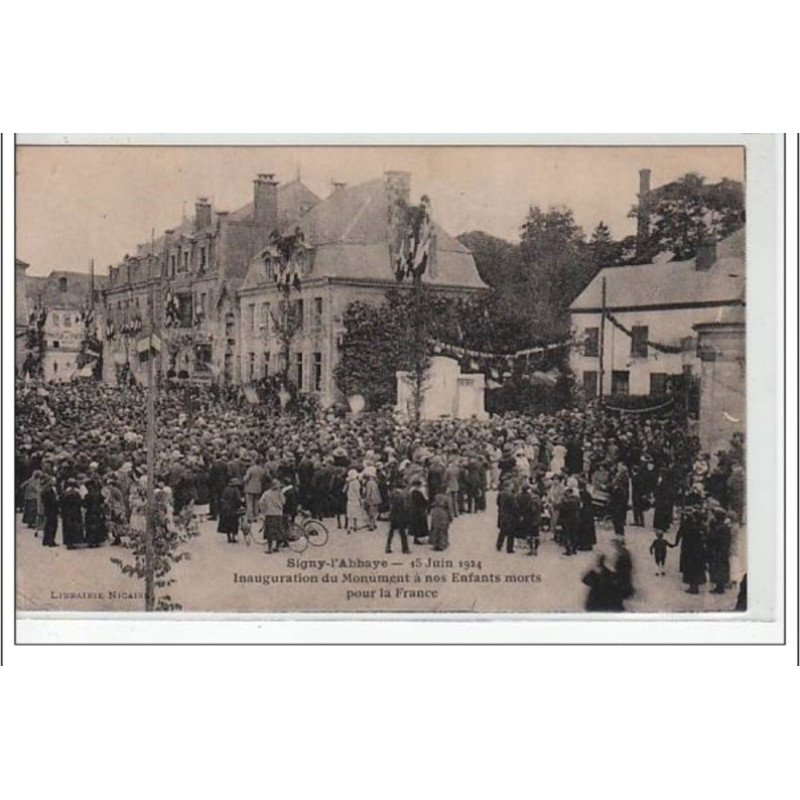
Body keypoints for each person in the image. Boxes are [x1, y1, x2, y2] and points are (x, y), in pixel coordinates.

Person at [674, 506, 707, 594]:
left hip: (689, 550)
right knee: (697, 569)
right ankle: (695, 586)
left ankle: (693, 587)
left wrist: (676, 543)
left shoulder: (688, 525)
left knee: (690, 568)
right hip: (699, 551)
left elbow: (680, 533)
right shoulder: (701, 526)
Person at [706, 501, 732, 594]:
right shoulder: (723, 527)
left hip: (718, 553)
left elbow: (712, 538)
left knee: (718, 569)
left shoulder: (721, 528)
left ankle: (720, 587)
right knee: (719, 569)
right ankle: (719, 586)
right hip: (720, 552)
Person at [259, 479, 285, 554]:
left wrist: (263, 511)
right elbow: (283, 502)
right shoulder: (280, 493)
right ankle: (277, 547)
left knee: (269, 531)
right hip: (278, 514)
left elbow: (261, 502)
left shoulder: (266, 493)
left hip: (269, 514)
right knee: (278, 530)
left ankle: (269, 548)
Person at [386, 481, 410, 555]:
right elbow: (405, 506)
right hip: (401, 515)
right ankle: (405, 549)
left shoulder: (392, 493)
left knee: (391, 532)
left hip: (393, 515)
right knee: (402, 533)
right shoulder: (404, 495)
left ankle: (388, 547)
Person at [516, 481, 541, 556]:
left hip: (530, 519)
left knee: (529, 535)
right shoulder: (538, 499)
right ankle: (535, 550)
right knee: (536, 534)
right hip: (537, 519)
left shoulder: (530, 498)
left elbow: (529, 509)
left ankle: (531, 549)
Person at [60, 477, 85, 549]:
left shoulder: (65, 493)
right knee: (73, 527)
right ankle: (73, 542)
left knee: (67, 527)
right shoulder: (76, 493)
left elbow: (61, 503)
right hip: (75, 513)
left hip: (66, 513)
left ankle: (68, 543)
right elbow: (79, 502)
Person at [83, 477, 108, 548]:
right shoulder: (98, 494)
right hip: (97, 512)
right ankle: (97, 541)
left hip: (90, 512)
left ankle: (91, 541)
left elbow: (84, 505)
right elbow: (104, 501)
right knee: (97, 526)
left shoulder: (87, 495)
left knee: (90, 527)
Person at [218, 477, 243, 544]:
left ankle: (229, 537)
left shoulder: (226, 489)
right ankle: (234, 537)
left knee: (227, 524)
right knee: (234, 524)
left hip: (225, 509)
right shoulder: (236, 490)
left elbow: (222, 498)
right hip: (233, 509)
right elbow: (238, 500)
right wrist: (240, 505)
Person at [242, 458, 267, 522]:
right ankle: (256, 516)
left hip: (250, 487)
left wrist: (243, 480)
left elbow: (246, 478)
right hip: (258, 487)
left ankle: (250, 517)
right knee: (256, 503)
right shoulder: (262, 470)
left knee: (249, 503)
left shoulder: (251, 469)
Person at [496, 480, 517, 554]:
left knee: (502, 531)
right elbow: (514, 506)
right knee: (511, 533)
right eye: (512, 485)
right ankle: (509, 548)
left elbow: (498, 503)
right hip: (510, 515)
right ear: (508, 486)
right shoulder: (511, 495)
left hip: (502, 514)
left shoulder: (500, 493)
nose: (513, 486)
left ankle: (499, 545)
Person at [408, 478, 429, 545]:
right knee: (421, 523)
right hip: (420, 509)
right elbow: (426, 500)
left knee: (415, 523)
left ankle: (415, 538)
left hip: (413, 509)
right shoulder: (422, 491)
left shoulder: (411, 490)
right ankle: (420, 538)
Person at [40, 474, 60, 547]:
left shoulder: (45, 489)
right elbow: (52, 501)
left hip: (47, 510)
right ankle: (51, 541)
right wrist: (57, 500)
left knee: (48, 525)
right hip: (51, 509)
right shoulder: (49, 490)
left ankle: (46, 540)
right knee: (52, 525)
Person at [362, 467, 382, 531]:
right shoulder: (374, 483)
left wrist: (366, 500)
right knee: (374, 513)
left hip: (371, 500)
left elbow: (368, 493)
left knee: (371, 513)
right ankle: (374, 524)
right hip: (376, 499)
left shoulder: (369, 484)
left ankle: (371, 526)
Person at [344, 469, 363, 533]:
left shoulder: (349, 482)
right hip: (355, 499)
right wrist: (360, 499)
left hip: (349, 499)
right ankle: (355, 526)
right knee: (356, 513)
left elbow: (343, 490)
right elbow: (358, 492)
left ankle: (349, 527)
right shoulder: (356, 482)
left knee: (350, 514)